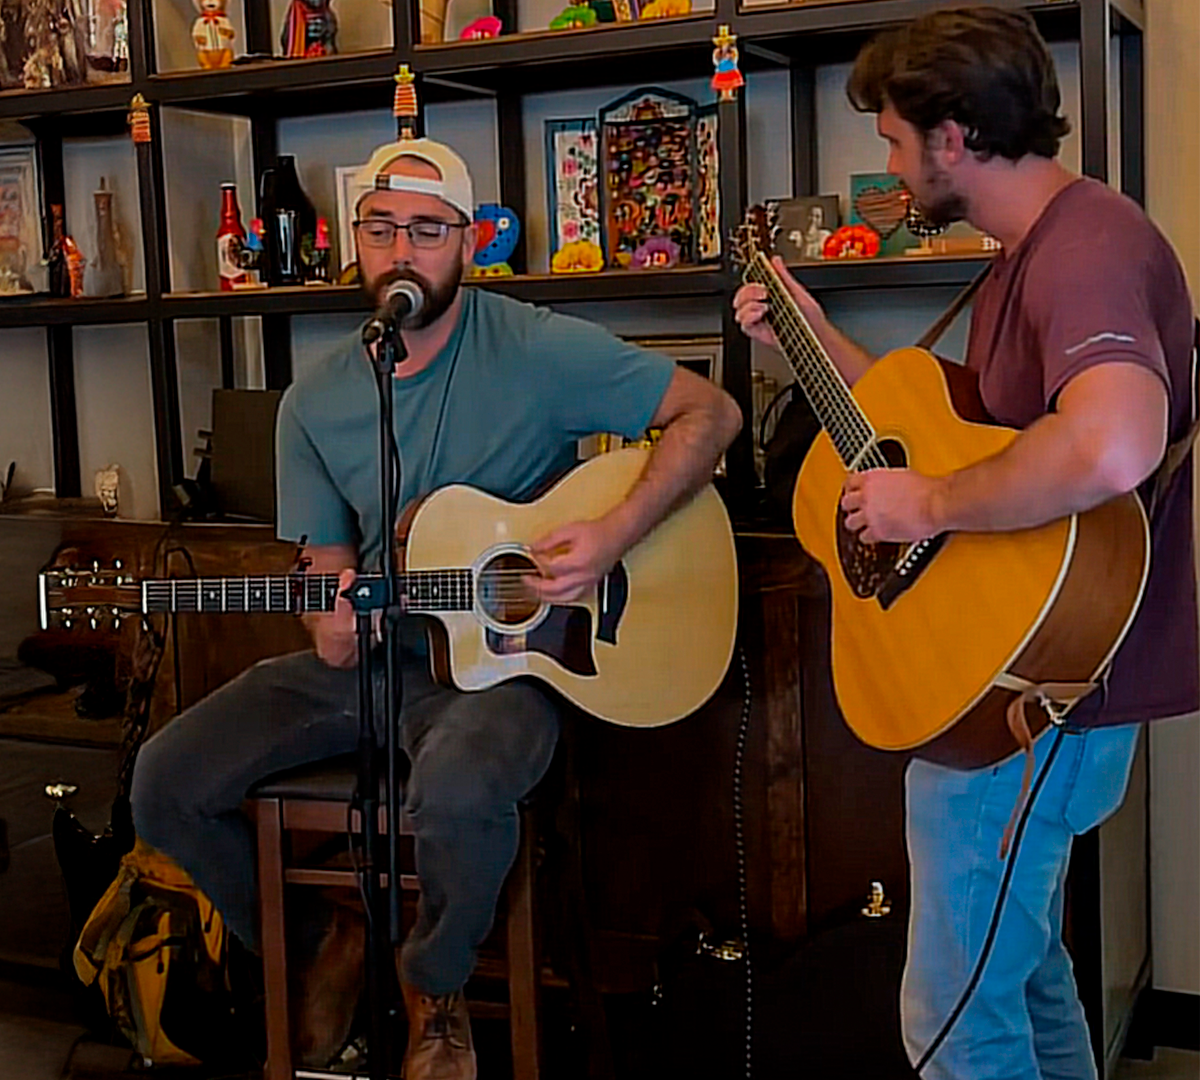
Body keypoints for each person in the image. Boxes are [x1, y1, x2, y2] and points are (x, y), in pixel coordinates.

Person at [131, 136, 741, 1079]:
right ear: (356, 244)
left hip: (515, 660)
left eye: (427, 230)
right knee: (166, 780)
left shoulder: (534, 347)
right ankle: (316, 944)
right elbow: (328, 566)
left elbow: (712, 415)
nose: (402, 251)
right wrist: (327, 613)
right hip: (385, 654)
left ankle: (436, 986)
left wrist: (614, 534)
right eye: (382, 229)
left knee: (457, 789)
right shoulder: (318, 398)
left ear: (468, 243)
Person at [734, 7, 1197, 1080]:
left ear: (953, 139)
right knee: (1023, 981)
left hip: (1031, 700)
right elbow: (920, 428)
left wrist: (930, 505)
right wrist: (803, 333)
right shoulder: (1028, 252)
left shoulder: (1086, 248)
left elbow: (1115, 442)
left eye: (894, 139)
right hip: (1013, 694)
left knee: (951, 1020)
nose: (888, 163)